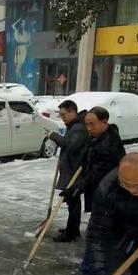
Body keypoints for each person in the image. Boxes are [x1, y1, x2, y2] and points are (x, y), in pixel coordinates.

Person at [68, 107, 126, 275]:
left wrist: (78, 187)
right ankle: (101, 266)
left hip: (108, 196)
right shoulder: (100, 137)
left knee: (96, 231)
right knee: (106, 232)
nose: (88, 128)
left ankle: (89, 269)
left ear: (105, 122)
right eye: (86, 124)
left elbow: (97, 173)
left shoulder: (107, 145)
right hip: (104, 193)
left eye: (92, 124)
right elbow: (90, 166)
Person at [46, 100, 89, 242]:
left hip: (75, 170)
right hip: (71, 168)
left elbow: (71, 145)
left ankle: (71, 233)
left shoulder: (79, 128)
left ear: (72, 112)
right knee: (73, 201)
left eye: (64, 115)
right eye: (61, 115)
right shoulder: (73, 125)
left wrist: (54, 136)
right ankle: (73, 228)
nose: (62, 118)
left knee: (73, 200)